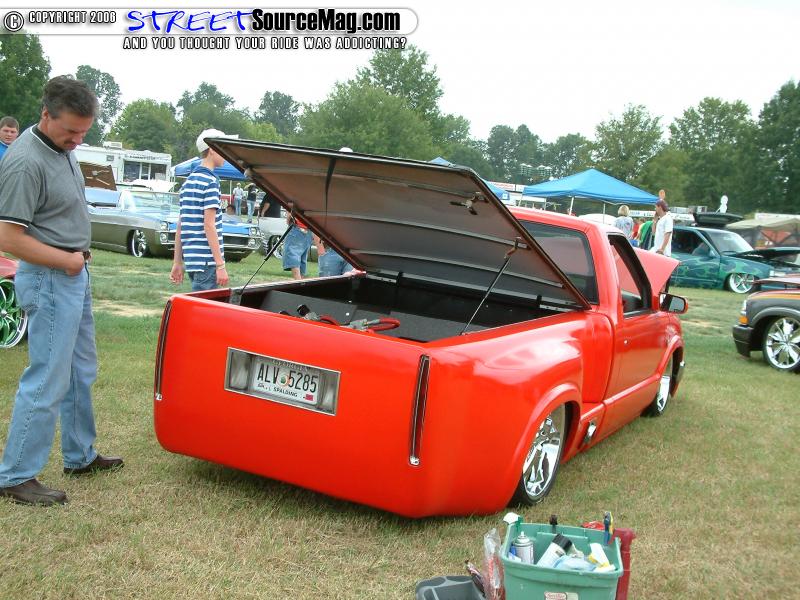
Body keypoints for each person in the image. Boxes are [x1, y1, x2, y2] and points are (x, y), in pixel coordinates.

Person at [0, 76, 123, 506]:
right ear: (46, 115)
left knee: (80, 370)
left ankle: (79, 454)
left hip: (72, 274)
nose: (77, 141)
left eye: (84, 132)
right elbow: (8, 238)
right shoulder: (25, 161)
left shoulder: (60, 147)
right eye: (71, 131)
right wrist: (66, 261)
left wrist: (76, 262)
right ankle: (16, 474)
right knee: (48, 377)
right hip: (51, 278)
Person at [170, 128, 235, 291]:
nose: (226, 155)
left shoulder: (188, 182)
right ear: (212, 150)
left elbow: (181, 226)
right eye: (223, 149)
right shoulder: (211, 182)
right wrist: (220, 265)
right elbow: (209, 225)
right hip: (207, 262)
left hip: (192, 261)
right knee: (205, 305)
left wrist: (177, 262)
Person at [282, 211, 313, 279]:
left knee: (292, 254)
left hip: (298, 227)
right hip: (309, 230)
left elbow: (290, 210)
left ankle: (298, 280)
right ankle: (301, 281)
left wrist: (288, 220)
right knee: (302, 257)